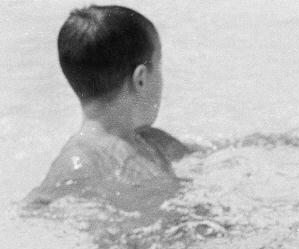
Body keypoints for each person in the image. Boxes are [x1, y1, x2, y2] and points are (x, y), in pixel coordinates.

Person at [26, 6, 192, 210]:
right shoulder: (79, 160)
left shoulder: (155, 141)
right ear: (140, 78)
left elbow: (209, 158)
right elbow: (31, 208)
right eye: (158, 64)